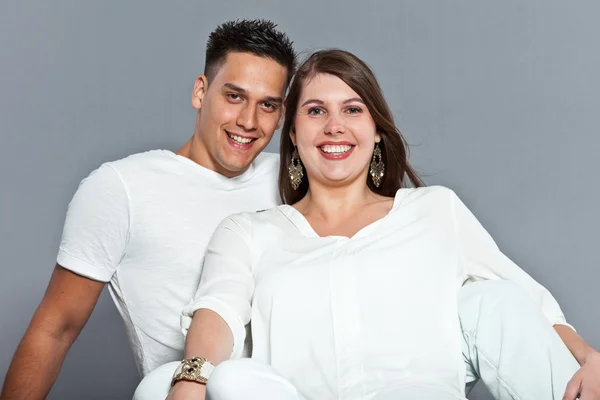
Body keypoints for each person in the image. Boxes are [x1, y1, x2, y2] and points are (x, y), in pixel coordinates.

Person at [137, 50, 598, 400]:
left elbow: (523, 302)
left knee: (490, 299)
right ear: (293, 134)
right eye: (316, 111)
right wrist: (191, 376)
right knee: (206, 380)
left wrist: (588, 356)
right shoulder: (250, 232)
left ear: (376, 129)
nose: (335, 126)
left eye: (352, 110)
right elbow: (218, 311)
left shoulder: (434, 211)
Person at [1, 19, 297, 400]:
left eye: (267, 105)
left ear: (282, 113)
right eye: (234, 96)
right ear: (200, 91)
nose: (248, 121)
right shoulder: (121, 188)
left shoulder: (293, 178)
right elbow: (55, 329)